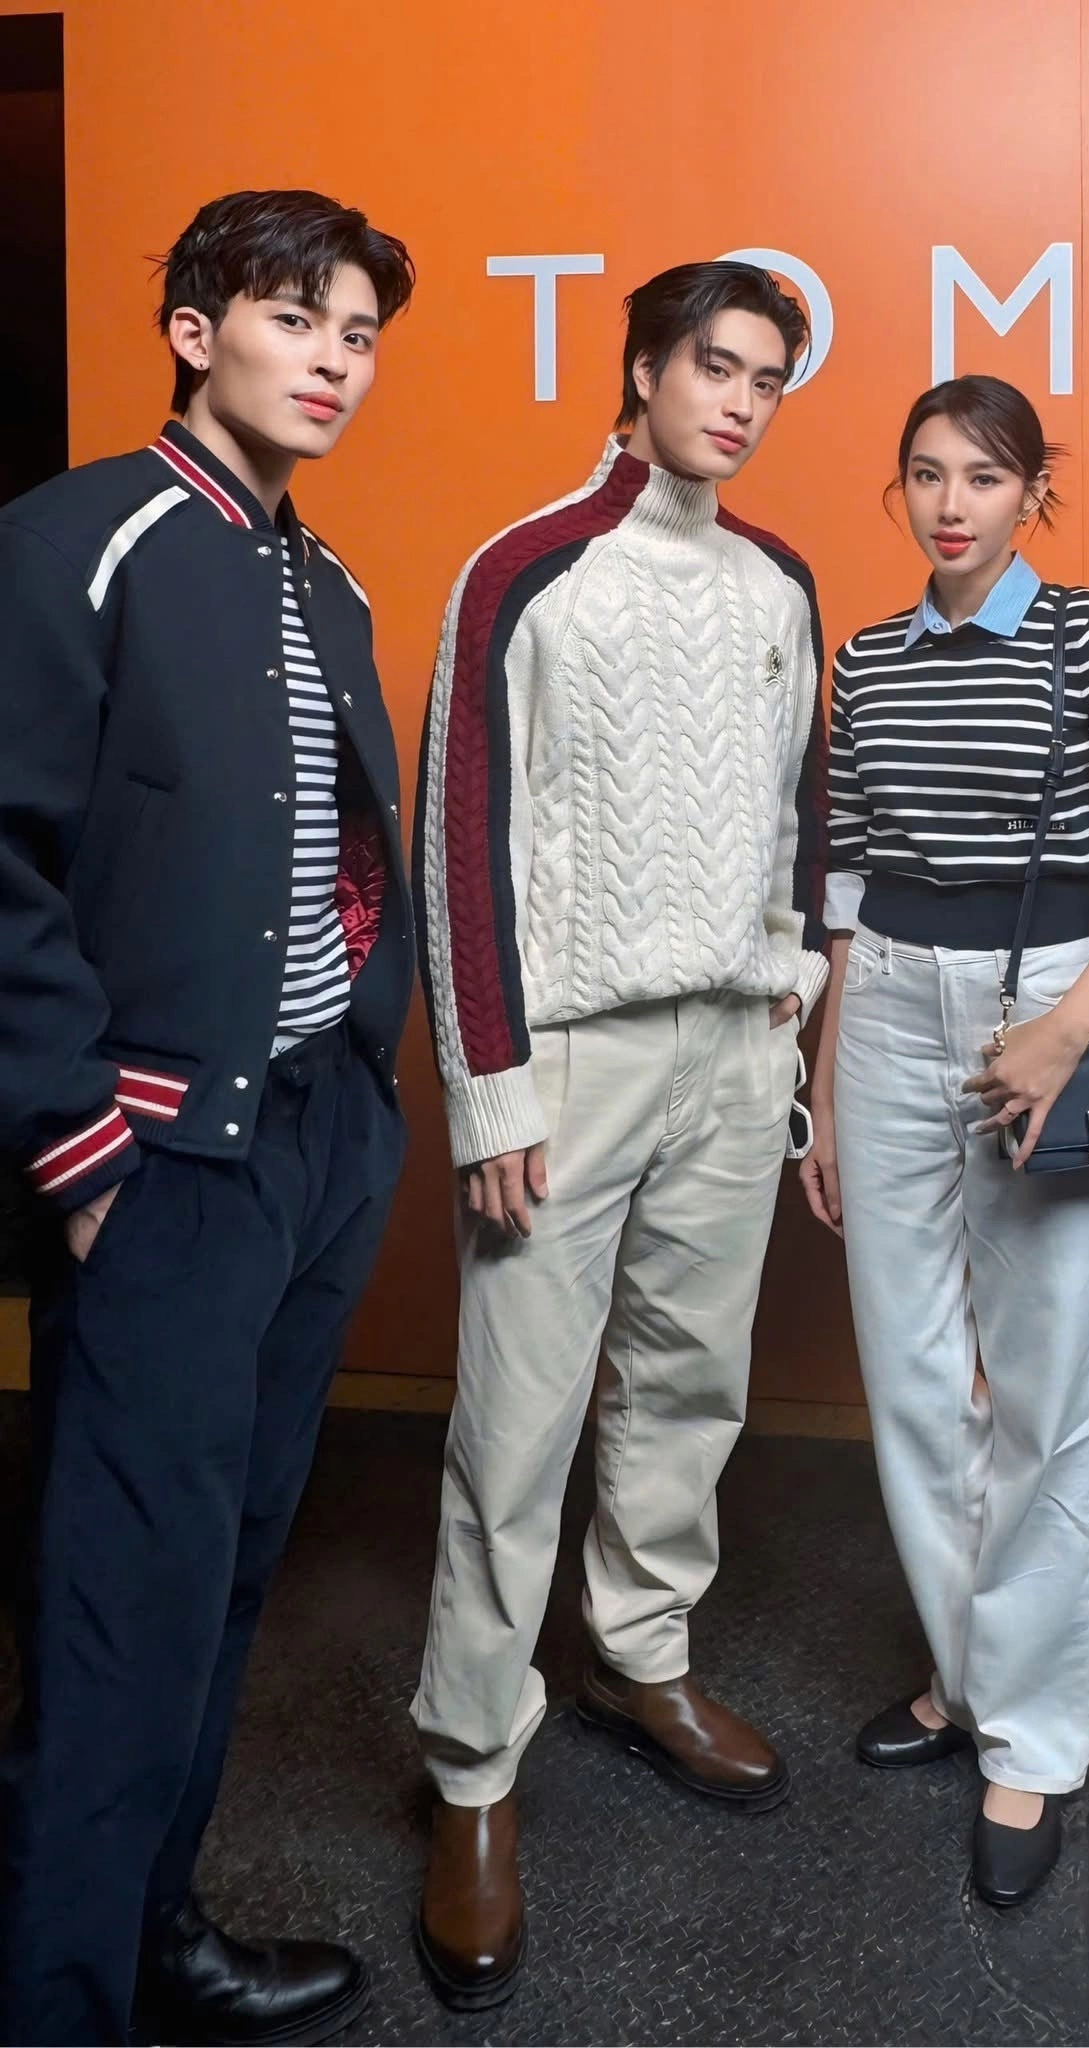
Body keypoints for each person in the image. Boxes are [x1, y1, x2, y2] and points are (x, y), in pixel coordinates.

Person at [0, 190, 416, 2046]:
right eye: (296, 318)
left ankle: (156, 1936)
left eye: (359, 334)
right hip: (159, 1164)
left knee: (231, 1572)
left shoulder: (328, 581)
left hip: (315, 1143)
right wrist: (76, 1139)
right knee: (121, 1611)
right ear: (194, 331)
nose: (334, 360)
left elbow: (343, 862)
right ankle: (62, 2001)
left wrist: (371, 1089)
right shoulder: (74, 540)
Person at [410, 259, 828, 2010]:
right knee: (516, 1423)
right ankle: (471, 1766)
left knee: (689, 1382)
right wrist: (489, 1082)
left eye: (766, 381)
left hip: (734, 1044)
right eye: (713, 367)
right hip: (570, 1057)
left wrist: (794, 1000)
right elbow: (460, 833)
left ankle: (638, 1654)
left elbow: (801, 811)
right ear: (645, 370)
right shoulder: (525, 569)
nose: (738, 403)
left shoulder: (780, 580)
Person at [796, 374, 1089, 1907]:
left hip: (1048, 1001)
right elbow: (847, 883)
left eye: (982, 475)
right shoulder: (869, 658)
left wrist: (1073, 1024)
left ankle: (1030, 1737)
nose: (950, 503)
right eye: (925, 474)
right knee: (912, 1380)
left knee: (1048, 1392)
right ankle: (966, 1677)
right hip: (890, 1011)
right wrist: (829, 1085)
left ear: (1036, 491)